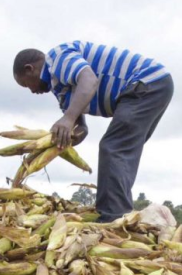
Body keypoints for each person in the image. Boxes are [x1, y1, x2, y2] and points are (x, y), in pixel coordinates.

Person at [13, 41, 173, 222]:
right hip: (152, 86)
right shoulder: (60, 89)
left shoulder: (57, 58)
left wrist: (67, 118)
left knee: (113, 147)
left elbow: (89, 80)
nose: (32, 91)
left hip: (146, 82)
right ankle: (119, 213)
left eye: (26, 85)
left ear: (29, 69)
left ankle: (112, 217)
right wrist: (65, 138)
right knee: (121, 150)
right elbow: (81, 128)